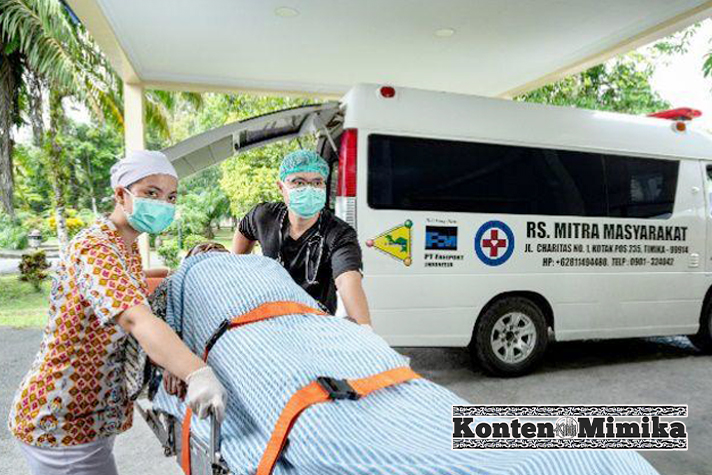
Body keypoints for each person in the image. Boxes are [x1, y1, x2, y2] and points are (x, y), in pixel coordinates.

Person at [8, 150, 227, 475]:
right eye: (151, 193)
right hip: (62, 424)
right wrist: (196, 372)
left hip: (89, 421)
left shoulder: (124, 246)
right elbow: (137, 318)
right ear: (121, 195)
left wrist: (172, 357)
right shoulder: (96, 249)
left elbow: (134, 294)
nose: (163, 204)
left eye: (171, 197)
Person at [232, 149, 372, 326]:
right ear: (281, 187)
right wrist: (237, 275)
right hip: (270, 318)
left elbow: (347, 280)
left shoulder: (338, 233)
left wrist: (365, 329)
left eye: (317, 182)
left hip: (315, 323)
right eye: (298, 182)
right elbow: (243, 233)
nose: (309, 190)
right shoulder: (264, 217)